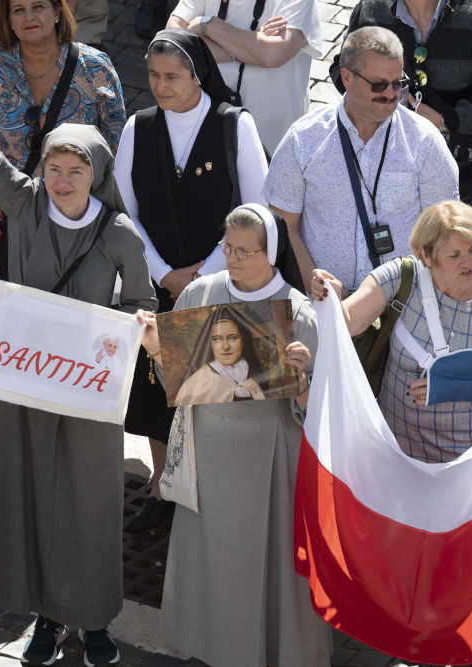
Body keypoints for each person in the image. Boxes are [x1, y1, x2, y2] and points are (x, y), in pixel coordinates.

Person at [0, 37, 157, 666]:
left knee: (91, 506)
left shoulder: (120, 234)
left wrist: (137, 327)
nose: (64, 179)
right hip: (23, 385)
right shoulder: (23, 201)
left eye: (77, 170)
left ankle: (93, 621)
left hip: (89, 395)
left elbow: (139, 306)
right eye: (54, 167)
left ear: (96, 173)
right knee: (34, 501)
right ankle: (45, 616)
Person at [135, 203, 332, 667]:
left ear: (271, 253)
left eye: (246, 251)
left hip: (273, 452)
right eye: (229, 248)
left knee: (272, 562)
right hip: (209, 445)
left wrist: (304, 381)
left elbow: (321, 410)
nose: (235, 258)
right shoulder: (200, 293)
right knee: (215, 559)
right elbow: (180, 385)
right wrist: (157, 350)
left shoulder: (299, 312)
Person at [115, 28, 269, 528]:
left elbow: (257, 209)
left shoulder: (233, 126)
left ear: (198, 74)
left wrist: (204, 272)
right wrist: (163, 273)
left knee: (218, 390)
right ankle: (162, 488)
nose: (161, 86)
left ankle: (217, 494)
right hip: (158, 286)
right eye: (154, 76)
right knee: (156, 396)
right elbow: (124, 213)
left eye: (173, 77)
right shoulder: (138, 128)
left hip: (226, 281)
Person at [310, 201, 472, 469]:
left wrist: (447, 384)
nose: (469, 262)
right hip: (404, 454)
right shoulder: (401, 276)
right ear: (426, 255)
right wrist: (329, 295)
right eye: (454, 255)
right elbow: (348, 323)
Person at [265, 26, 458, 296]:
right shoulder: (303, 139)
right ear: (347, 77)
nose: (391, 94)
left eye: (398, 83)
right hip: (322, 305)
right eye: (378, 85)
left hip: (401, 308)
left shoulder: (425, 141)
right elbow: (285, 225)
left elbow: (445, 231)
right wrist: (317, 289)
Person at [0, 0, 126, 279]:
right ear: (9, 20)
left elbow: (117, 146)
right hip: (11, 209)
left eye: (38, 6)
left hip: (77, 213)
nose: (29, 16)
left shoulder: (95, 67)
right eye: (18, 10)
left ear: (57, 13)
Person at [330, 0, 472, 204]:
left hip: (463, 170)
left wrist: (446, 119)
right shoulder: (370, 11)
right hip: (382, 165)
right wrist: (375, 101)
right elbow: (341, 69)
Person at [166, 0, 323, 152]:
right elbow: (173, 41)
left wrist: (208, 24)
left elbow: (273, 55)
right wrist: (249, 48)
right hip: (207, 130)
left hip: (273, 142)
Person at [173, 306, 267, 405]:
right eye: (217, 339)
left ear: (243, 341)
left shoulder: (253, 375)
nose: (225, 346)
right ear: (210, 344)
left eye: (232, 338)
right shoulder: (199, 381)